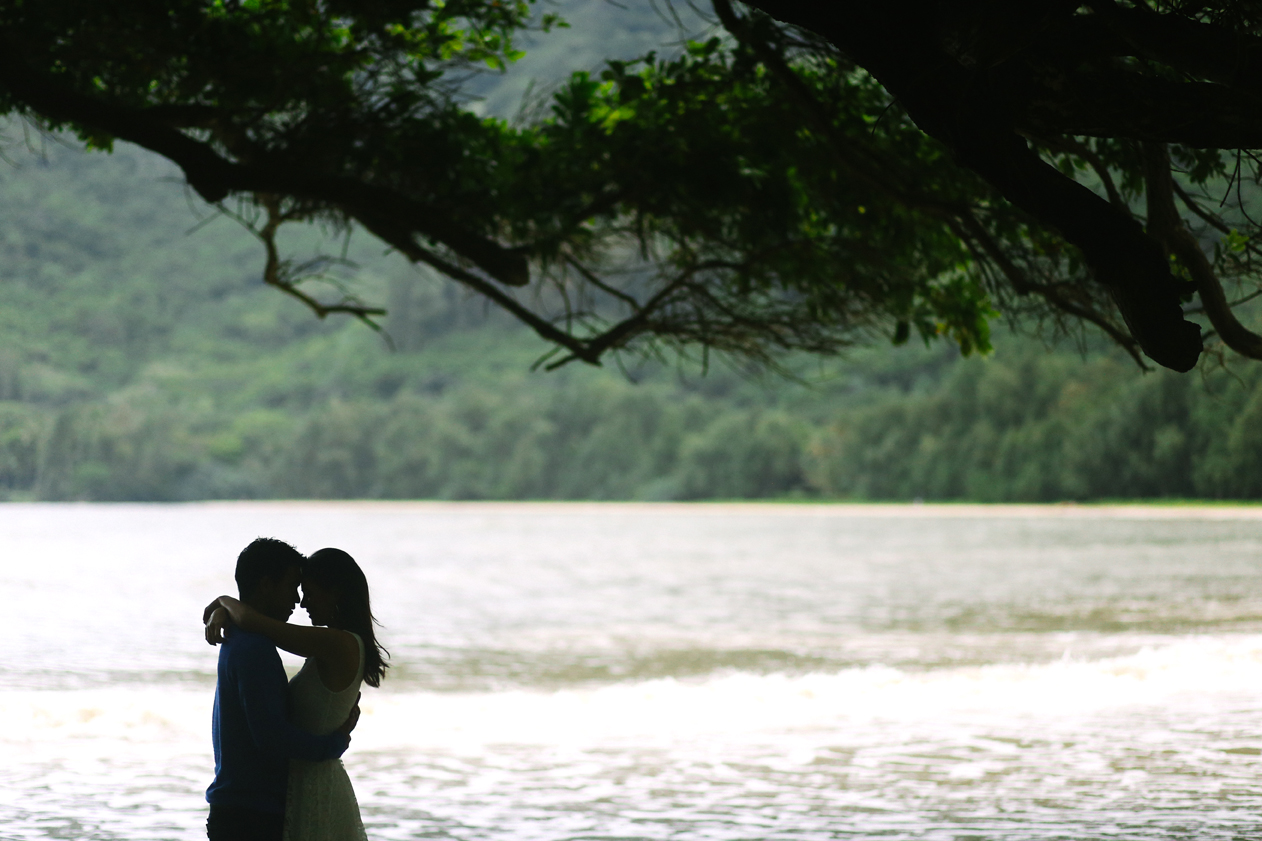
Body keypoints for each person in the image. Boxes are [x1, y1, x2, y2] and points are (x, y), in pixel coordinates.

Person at [205, 546, 389, 841]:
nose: (299, 601)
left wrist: (224, 603)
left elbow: (260, 623)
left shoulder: (336, 644)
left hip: (300, 791)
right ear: (267, 584)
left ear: (336, 593)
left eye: (309, 592)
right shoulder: (255, 645)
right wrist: (225, 608)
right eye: (295, 588)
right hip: (279, 797)